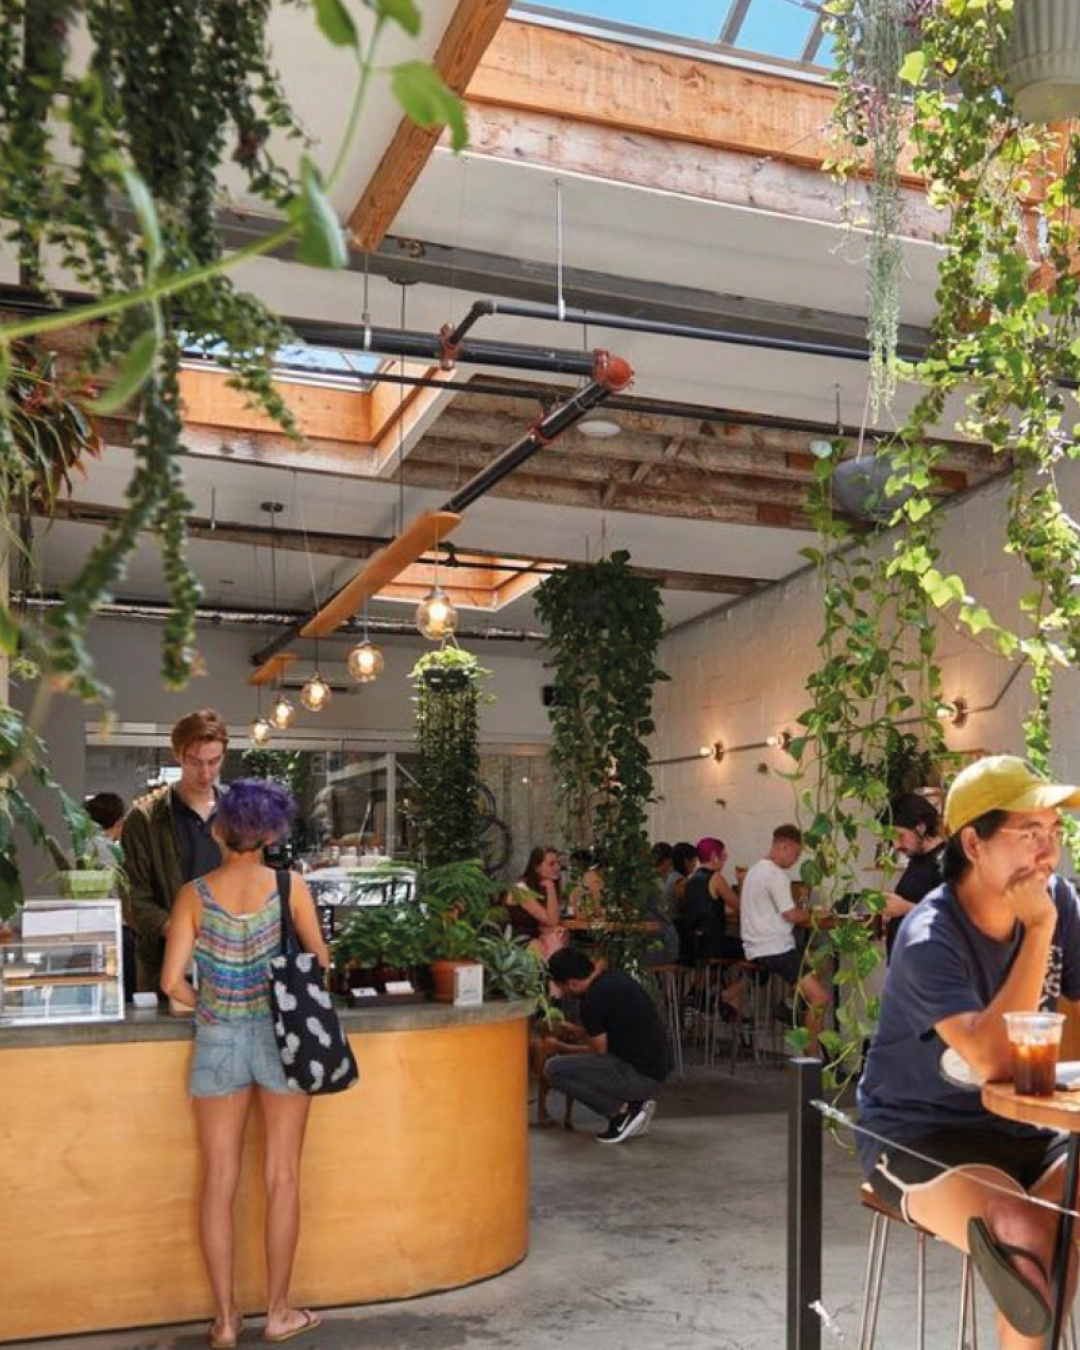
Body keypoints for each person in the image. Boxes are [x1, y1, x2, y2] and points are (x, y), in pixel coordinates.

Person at [858, 756, 1080, 1349]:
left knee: (1044, 1242)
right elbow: (991, 1061)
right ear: (974, 844)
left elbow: (1075, 1033)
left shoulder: (1062, 902)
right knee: (1029, 1237)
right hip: (920, 1134)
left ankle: (1038, 1256)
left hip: (1033, 1133)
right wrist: (1037, 932)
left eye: (1054, 834)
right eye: (1028, 834)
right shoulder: (931, 934)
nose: (1047, 853)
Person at [161, 779, 329, 1350]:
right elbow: (320, 962)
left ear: (218, 830)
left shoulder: (193, 894)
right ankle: (278, 1313)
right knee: (281, 1177)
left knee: (218, 1182)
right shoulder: (291, 886)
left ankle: (227, 1321)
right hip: (284, 1040)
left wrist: (213, 1002)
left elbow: (170, 984)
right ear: (271, 834)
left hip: (218, 1040)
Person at [122, 709, 228, 992]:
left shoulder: (238, 813)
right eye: (195, 762)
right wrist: (180, 933)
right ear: (177, 755)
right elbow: (134, 898)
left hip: (234, 963)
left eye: (214, 761)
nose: (206, 773)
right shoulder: (144, 819)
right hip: (165, 965)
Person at [544, 947, 669, 1144]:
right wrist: (580, 1031)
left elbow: (598, 1053)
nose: (562, 992)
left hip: (639, 1076)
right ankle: (634, 1105)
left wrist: (559, 1047)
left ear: (573, 983)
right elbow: (614, 1032)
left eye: (562, 987)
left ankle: (620, 1113)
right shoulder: (613, 978)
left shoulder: (592, 1000)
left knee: (555, 1069)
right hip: (656, 1069)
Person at [738, 824, 828, 1054]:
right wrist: (813, 913)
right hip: (775, 949)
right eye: (796, 854)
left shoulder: (754, 870)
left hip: (756, 947)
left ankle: (790, 1003)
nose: (796, 860)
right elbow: (791, 915)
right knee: (819, 997)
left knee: (819, 959)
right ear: (784, 846)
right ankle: (812, 1058)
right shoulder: (775, 874)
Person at [882, 791, 948, 960]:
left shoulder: (947, 860)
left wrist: (906, 908)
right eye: (891, 839)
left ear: (920, 827)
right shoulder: (917, 859)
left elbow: (958, 920)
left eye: (900, 836)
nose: (896, 845)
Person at [511, 846, 567, 958]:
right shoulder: (521, 888)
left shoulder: (542, 887)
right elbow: (552, 920)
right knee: (541, 946)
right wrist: (550, 887)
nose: (557, 867)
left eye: (558, 863)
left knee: (559, 934)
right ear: (537, 868)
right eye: (551, 864)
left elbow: (550, 923)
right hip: (516, 938)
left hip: (535, 936)